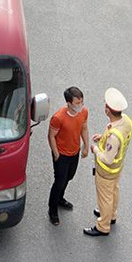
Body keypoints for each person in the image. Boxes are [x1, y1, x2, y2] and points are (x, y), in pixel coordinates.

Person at [84, 88, 132, 238]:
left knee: (104, 198)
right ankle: (111, 215)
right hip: (117, 169)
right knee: (113, 192)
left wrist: (96, 149)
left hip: (106, 171)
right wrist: (103, 137)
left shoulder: (114, 137)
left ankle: (103, 225)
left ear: (108, 111)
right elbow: (116, 135)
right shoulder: (126, 121)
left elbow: (107, 158)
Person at [48, 86, 90, 225]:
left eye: (81, 102)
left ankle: (60, 198)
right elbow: (51, 136)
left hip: (74, 152)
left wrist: (86, 146)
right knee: (59, 182)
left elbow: (84, 128)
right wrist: (56, 154)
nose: (80, 105)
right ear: (68, 103)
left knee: (69, 177)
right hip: (62, 155)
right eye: (77, 103)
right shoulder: (58, 117)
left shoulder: (83, 112)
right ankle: (52, 210)